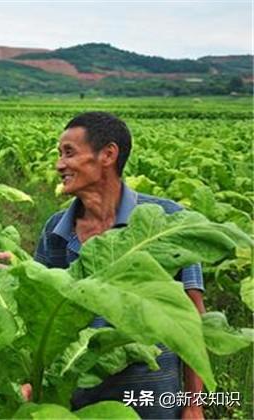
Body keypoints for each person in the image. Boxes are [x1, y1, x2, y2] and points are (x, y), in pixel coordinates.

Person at [34, 112, 205, 419]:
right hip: (76, 401)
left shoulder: (165, 221)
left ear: (108, 155)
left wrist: (193, 404)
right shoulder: (55, 230)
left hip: (153, 404)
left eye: (69, 153)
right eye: (59, 154)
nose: (60, 165)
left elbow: (194, 320)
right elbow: (38, 311)